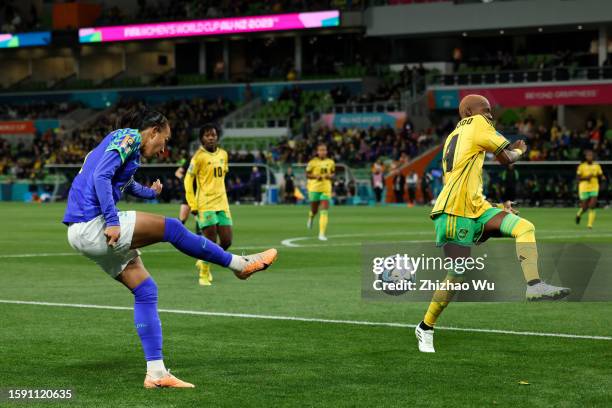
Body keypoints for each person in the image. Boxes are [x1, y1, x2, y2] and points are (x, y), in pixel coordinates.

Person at [63, 108, 277, 387]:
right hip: (93, 224)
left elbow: (123, 183)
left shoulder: (126, 149)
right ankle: (239, 265)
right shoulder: (128, 138)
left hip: (80, 232)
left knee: (146, 290)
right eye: (163, 140)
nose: (163, 148)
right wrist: (113, 221)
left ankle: (156, 373)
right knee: (174, 228)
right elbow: (101, 178)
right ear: (153, 131)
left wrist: (149, 192)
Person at [415, 95, 570, 354]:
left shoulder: (454, 136)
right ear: (468, 111)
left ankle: (534, 285)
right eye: (485, 110)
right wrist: (520, 150)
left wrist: (496, 208)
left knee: (524, 226)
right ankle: (426, 327)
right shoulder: (476, 123)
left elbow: (468, 182)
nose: (490, 115)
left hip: (476, 209)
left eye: (490, 111)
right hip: (455, 212)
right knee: (457, 274)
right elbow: (507, 158)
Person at [184, 124, 233, 286]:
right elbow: (187, 180)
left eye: (213, 135)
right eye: (207, 135)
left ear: (217, 137)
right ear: (202, 139)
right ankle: (204, 273)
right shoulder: (198, 157)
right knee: (210, 239)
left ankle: (204, 260)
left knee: (226, 241)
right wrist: (192, 204)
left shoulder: (224, 154)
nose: (211, 137)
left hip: (222, 204)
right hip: (205, 204)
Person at [306, 143, 335, 241]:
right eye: (321, 150)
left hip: (326, 189)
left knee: (324, 211)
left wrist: (330, 176)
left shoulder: (330, 162)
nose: (323, 152)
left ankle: (321, 234)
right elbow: (307, 174)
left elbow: (333, 173)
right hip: (314, 189)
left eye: (324, 150)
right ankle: (311, 217)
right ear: (317, 152)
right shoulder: (312, 162)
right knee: (314, 210)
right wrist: (315, 177)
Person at [575, 150, 605, 228]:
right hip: (584, 187)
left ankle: (589, 225)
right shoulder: (581, 166)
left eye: (591, 155)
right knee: (584, 207)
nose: (590, 157)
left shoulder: (597, 166)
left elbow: (601, 175)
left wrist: (603, 179)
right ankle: (578, 215)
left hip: (594, 187)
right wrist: (585, 178)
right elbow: (578, 179)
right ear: (585, 157)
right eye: (588, 156)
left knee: (592, 205)